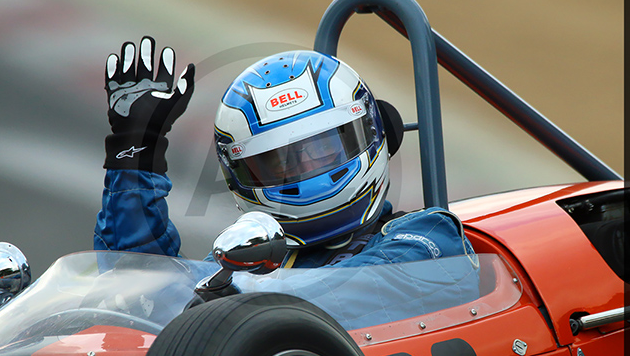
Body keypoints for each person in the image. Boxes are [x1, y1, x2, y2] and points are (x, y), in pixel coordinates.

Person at [94, 36, 478, 274]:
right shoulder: (244, 264)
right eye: (280, 162)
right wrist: (135, 156)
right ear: (238, 175)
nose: (308, 171)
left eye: (325, 148)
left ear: (376, 132)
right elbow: (140, 297)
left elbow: (341, 297)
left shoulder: (426, 240)